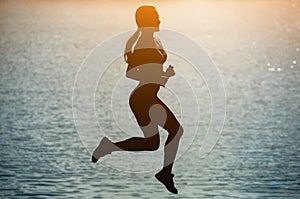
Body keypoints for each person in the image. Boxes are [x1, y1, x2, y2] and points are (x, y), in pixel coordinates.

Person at [92, 5, 184, 194]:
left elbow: (154, 72)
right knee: (176, 131)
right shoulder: (143, 44)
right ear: (148, 21)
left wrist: (163, 75)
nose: (159, 20)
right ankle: (165, 173)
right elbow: (131, 73)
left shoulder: (155, 41)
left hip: (149, 96)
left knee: (152, 144)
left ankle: (108, 146)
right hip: (143, 99)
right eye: (156, 17)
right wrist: (163, 76)